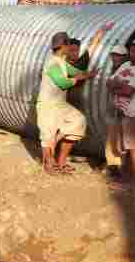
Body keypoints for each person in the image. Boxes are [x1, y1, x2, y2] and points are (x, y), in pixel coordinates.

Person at [36, 31, 100, 175]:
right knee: (47, 136)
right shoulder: (52, 63)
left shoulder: (62, 62)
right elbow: (63, 83)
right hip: (47, 105)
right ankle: (48, 164)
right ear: (63, 46)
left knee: (78, 121)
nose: (70, 47)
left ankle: (59, 159)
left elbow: (75, 71)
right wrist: (77, 79)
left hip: (59, 104)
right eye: (68, 44)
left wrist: (89, 74)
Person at [107, 37, 135, 188]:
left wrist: (117, 85)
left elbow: (128, 92)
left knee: (133, 148)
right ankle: (124, 178)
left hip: (133, 113)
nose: (134, 53)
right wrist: (120, 84)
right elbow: (108, 83)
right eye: (132, 50)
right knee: (124, 147)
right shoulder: (126, 64)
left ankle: (131, 181)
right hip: (120, 111)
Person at [104, 44, 129, 177]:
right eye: (114, 55)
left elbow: (125, 89)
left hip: (124, 108)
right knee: (112, 136)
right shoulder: (114, 69)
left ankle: (121, 166)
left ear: (124, 57)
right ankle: (112, 165)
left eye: (118, 55)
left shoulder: (128, 70)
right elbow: (110, 86)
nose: (115, 58)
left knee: (122, 138)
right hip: (114, 106)